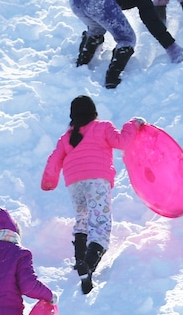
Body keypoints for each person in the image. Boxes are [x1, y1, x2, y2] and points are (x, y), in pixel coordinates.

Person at [41, 96, 141, 293]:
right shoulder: (103, 127)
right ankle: (89, 264)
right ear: (93, 112)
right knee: (100, 223)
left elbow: (54, 161)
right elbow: (122, 142)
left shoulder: (66, 138)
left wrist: (48, 182)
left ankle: (80, 260)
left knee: (83, 219)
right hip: (97, 180)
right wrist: (134, 124)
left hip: (74, 183)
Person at [70, 0, 183, 89]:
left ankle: (81, 65)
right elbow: (150, 19)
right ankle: (112, 79)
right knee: (127, 38)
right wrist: (170, 45)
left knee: (96, 29)